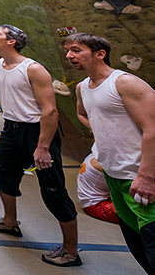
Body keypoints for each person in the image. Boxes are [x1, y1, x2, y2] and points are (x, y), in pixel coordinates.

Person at [0, 25, 80, 268]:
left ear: (12, 42)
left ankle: (70, 251)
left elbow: (50, 110)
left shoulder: (33, 69)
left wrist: (43, 147)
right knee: (0, 173)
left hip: (37, 131)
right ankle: (9, 222)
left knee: (53, 189)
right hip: (11, 129)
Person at [67, 33, 155, 273]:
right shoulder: (82, 87)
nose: (69, 56)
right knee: (138, 245)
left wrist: (147, 177)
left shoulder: (125, 83)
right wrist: (105, 130)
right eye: (68, 51)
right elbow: (83, 114)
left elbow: (153, 129)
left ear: (100, 53)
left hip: (139, 177)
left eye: (76, 50)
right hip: (113, 178)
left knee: (152, 240)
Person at [77, 152, 119, 224]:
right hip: (95, 205)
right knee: (138, 213)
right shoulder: (110, 167)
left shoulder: (97, 152)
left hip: (94, 199)